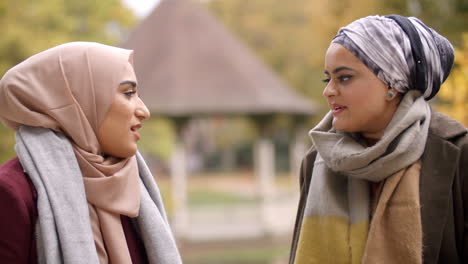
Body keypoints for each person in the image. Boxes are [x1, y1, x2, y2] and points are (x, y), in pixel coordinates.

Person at [289, 15, 468, 264]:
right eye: (327, 78)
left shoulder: (457, 155)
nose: (328, 90)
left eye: (344, 77)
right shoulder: (316, 160)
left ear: (392, 83)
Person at [0, 42, 182, 264]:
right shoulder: (12, 192)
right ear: (78, 101)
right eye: (128, 93)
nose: (144, 111)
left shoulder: (130, 187)